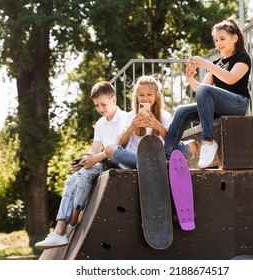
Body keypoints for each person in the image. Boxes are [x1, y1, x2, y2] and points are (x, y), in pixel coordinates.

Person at [35, 81, 127, 250]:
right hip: (103, 162)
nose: (100, 109)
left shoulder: (124, 118)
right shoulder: (100, 123)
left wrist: (93, 161)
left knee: (85, 174)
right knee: (71, 179)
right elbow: (94, 152)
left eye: (104, 104)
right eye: (97, 105)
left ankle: (73, 219)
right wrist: (84, 161)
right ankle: (60, 231)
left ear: (114, 100)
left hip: (119, 164)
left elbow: (118, 149)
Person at [164, 15, 251, 168]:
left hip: (238, 105)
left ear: (235, 38)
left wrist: (206, 64)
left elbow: (231, 79)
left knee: (205, 91)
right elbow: (201, 91)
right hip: (218, 108)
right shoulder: (217, 63)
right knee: (181, 111)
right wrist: (190, 78)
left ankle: (208, 142)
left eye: (222, 39)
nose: (218, 43)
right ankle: (167, 155)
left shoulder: (243, 58)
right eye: (216, 40)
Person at [105, 75, 172, 169]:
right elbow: (121, 145)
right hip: (135, 159)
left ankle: (149, 165)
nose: (145, 99)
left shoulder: (165, 116)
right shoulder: (130, 116)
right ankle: (150, 165)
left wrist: (158, 126)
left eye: (149, 94)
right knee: (109, 149)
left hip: (157, 157)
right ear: (136, 97)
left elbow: (171, 143)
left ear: (156, 95)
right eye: (141, 95)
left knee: (191, 145)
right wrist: (132, 127)